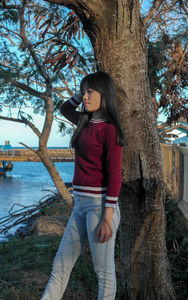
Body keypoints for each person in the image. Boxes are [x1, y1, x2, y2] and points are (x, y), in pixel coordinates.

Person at [41, 71, 125, 300]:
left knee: (103, 273)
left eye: (90, 92)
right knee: (59, 266)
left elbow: (115, 176)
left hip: (100, 208)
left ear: (104, 94)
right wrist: (80, 94)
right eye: (83, 91)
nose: (85, 97)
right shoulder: (84, 121)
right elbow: (65, 109)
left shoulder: (110, 130)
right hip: (81, 205)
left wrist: (108, 218)